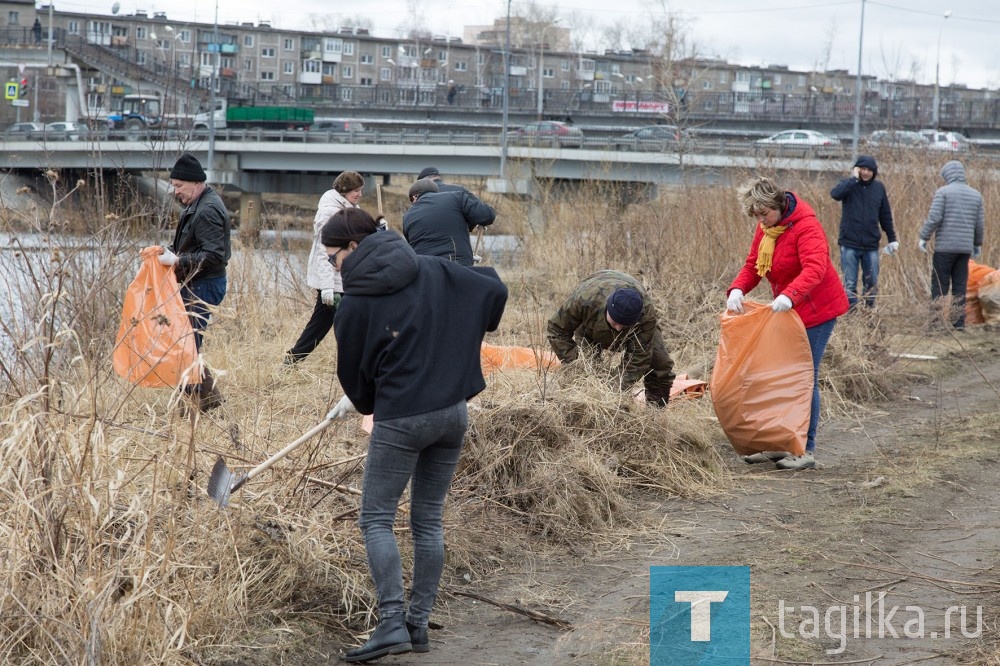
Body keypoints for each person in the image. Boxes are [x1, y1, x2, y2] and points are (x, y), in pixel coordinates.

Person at [321, 208, 508, 662]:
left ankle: (390, 624)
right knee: (427, 521)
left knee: (375, 518)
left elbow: (355, 378)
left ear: (353, 247)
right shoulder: (432, 265)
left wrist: (363, 400)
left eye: (333, 259)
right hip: (452, 413)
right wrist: (464, 335)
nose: (334, 267)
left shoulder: (356, 303)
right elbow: (493, 287)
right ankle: (417, 625)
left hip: (403, 419)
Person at [726, 176, 849, 470]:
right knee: (777, 375)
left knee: (804, 377)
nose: (762, 222)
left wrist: (790, 295)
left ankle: (804, 448)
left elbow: (816, 268)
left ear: (778, 205)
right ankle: (777, 444)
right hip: (788, 310)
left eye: (765, 214)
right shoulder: (768, 230)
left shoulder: (806, 226)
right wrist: (737, 289)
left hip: (816, 310)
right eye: (756, 216)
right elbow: (753, 265)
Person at [158, 153, 232, 412]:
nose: (175, 191)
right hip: (197, 282)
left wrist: (176, 260)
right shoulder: (197, 203)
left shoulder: (208, 209)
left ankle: (193, 404)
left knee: (186, 345)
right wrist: (166, 253)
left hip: (204, 285)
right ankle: (207, 400)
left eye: (179, 186)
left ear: (195, 183)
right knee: (186, 343)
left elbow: (214, 256)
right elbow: (192, 246)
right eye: (174, 185)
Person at [547, 270, 676, 407]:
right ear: (608, 309)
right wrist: (575, 362)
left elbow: (638, 358)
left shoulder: (646, 314)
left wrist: (614, 389)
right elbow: (556, 330)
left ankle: (655, 413)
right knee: (588, 369)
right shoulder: (584, 301)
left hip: (635, 320)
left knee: (661, 363)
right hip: (591, 325)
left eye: (624, 325)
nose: (619, 329)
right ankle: (583, 409)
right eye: (615, 323)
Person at [284, 170, 364, 365]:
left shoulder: (349, 208)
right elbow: (324, 251)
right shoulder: (329, 213)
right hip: (334, 282)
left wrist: (377, 228)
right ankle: (357, 365)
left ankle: (293, 359)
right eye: (356, 190)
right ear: (344, 191)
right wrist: (327, 287)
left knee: (321, 324)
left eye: (361, 190)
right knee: (350, 323)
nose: (359, 194)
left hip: (343, 278)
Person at [918, 160, 985, 331]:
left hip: (944, 248)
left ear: (947, 175)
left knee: (939, 285)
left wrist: (923, 237)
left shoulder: (943, 192)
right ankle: (959, 323)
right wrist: (977, 243)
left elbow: (934, 218)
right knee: (959, 286)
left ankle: (936, 323)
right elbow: (979, 224)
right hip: (964, 249)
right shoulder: (976, 195)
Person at [830, 155, 898, 309]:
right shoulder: (849, 185)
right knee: (850, 283)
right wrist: (853, 179)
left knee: (871, 282)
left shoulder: (879, 188)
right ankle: (852, 317)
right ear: (857, 169)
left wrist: (892, 238)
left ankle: (868, 314)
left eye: (869, 170)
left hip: (871, 245)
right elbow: (835, 194)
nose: (866, 173)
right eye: (863, 169)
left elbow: (885, 215)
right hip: (849, 243)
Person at [402, 178, 495, 266]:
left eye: (411, 201)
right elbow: (487, 215)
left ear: (415, 196)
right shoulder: (457, 197)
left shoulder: (407, 217)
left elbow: (413, 248)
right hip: (459, 267)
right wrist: (469, 222)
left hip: (427, 271)